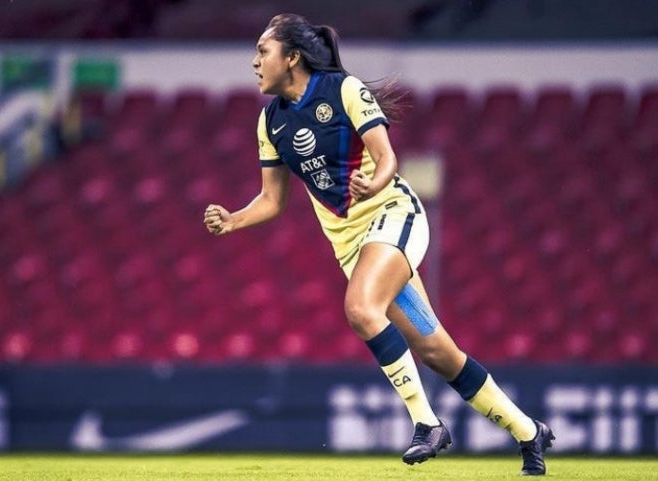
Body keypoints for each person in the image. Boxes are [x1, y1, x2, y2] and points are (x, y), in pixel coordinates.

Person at [203, 13, 554, 476]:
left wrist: (376, 183)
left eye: (262, 52)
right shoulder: (270, 122)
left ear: (291, 58)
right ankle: (530, 432)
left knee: (360, 308)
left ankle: (427, 424)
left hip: (395, 217)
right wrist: (233, 220)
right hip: (353, 247)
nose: (254, 63)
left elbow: (387, 157)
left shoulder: (343, 90)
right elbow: (272, 199)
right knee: (437, 353)